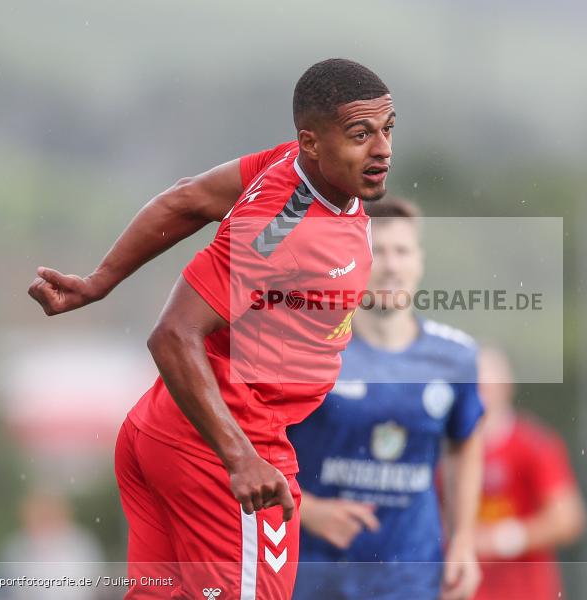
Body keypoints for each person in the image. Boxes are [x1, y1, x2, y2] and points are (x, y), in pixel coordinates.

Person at [29, 58, 395, 600]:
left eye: (388, 129)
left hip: (161, 431)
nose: (382, 148)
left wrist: (99, 281)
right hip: (226, 447)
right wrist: (240, 458)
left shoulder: (297, 165)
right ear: (312, 142)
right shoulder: (279, 230)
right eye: (360, 134)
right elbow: (172, 335)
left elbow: (188, 198)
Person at [288, 198, 483, 600]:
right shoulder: (307, 349)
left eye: (402, 252)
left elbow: (465, 444)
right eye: (378, 252)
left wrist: (464, 539)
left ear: (419, 261)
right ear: (353, 259)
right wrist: (306, 509)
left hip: (410, 575)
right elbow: (251, 442)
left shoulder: (456, 356)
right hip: (312, 570)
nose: (392, 266)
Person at [472, 346, 587, 600]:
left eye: (489, 386)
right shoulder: (445, 449)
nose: (482, 395)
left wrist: (506, 538)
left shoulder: (534, 444)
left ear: (508, 386)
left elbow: (569, 518)